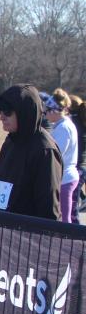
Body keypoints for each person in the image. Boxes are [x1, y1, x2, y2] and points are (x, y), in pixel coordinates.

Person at [0, 85, 61, 220]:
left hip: (27, 230)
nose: (1, 117)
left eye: (7, 112)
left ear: (24, 113)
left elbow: (49, 209)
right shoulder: (10, 141)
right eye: (0, 111)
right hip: (3, 226)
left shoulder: (45, 150)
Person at [43, 90, 79, 223]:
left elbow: (56, 155)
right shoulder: (62, 125)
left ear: (56, 111)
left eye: (48, 110)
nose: (45, 113)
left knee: (64, 220)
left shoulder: (63, 128)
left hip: (65, 179)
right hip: (65, 178)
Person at [69, 95, 86, 223]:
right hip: (83, 167)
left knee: (72, 208)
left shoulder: (73, 124)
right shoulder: (82, 122)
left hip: (77, 168)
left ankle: (76, 231)